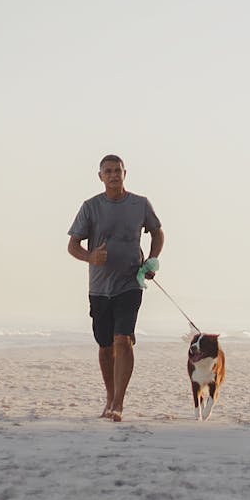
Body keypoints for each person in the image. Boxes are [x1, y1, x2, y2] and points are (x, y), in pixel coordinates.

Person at [67, 155, 164, 421]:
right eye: (107, 171)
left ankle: (119, 403)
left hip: (130, 283)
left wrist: (152, 259)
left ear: (125, 173)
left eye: (117, 171)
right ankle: (110, 397)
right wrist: (90, 257)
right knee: (105, 345)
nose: (113, 175)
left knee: (123, 340)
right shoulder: (90, 207)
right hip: (99, 287)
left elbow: (157, 232)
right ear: (100, 176)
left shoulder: (140, 204)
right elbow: (72, 245)